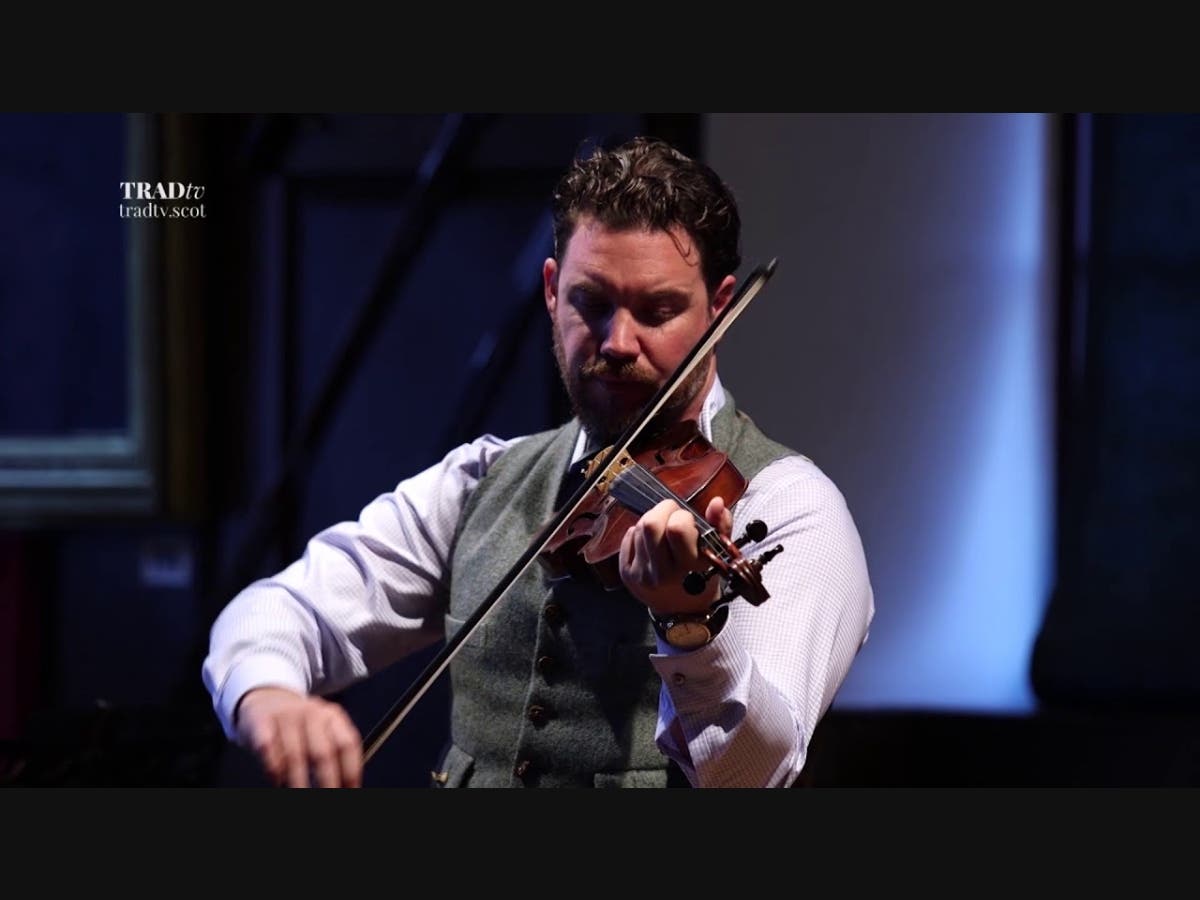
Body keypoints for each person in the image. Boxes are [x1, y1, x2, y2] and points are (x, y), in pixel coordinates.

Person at [202, 136, 874, 788]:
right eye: (592, 301)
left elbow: (754, 774)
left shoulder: (785, 507)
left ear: (719, 305)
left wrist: (689, 629)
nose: (617, 342)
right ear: (552, 290)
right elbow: (281, 611)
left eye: (659, 310)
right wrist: (269, 696)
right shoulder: (480, 481)